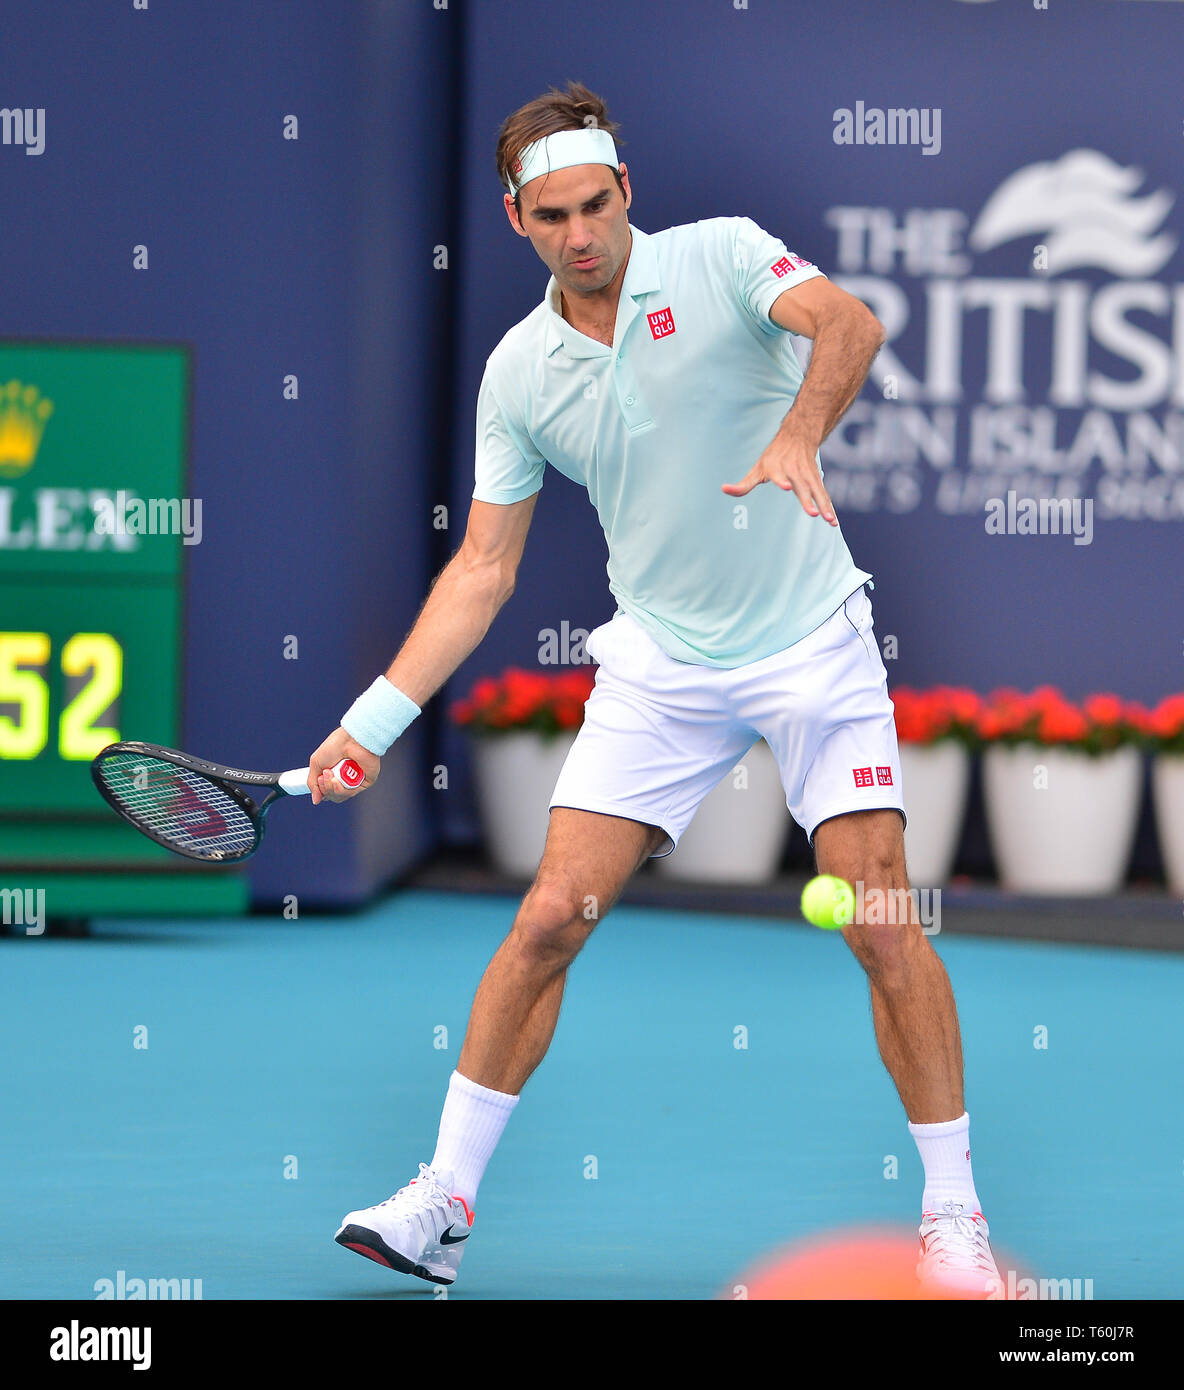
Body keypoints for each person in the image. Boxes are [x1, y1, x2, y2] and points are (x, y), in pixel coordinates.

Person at [312, 81, 1001, 1298]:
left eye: (596, 204)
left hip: (809, 640)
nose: (580, 234)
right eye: (551, 216)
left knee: (880, 918)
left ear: (624, 189)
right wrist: (371, 723)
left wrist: (798, 432)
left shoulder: (720, 257)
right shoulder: (519, 372)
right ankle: (441, 1202)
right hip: (661, 663)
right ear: (515, 218)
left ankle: (953, 1219)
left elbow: (845, 324)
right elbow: (482, 568)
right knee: (547, 918)